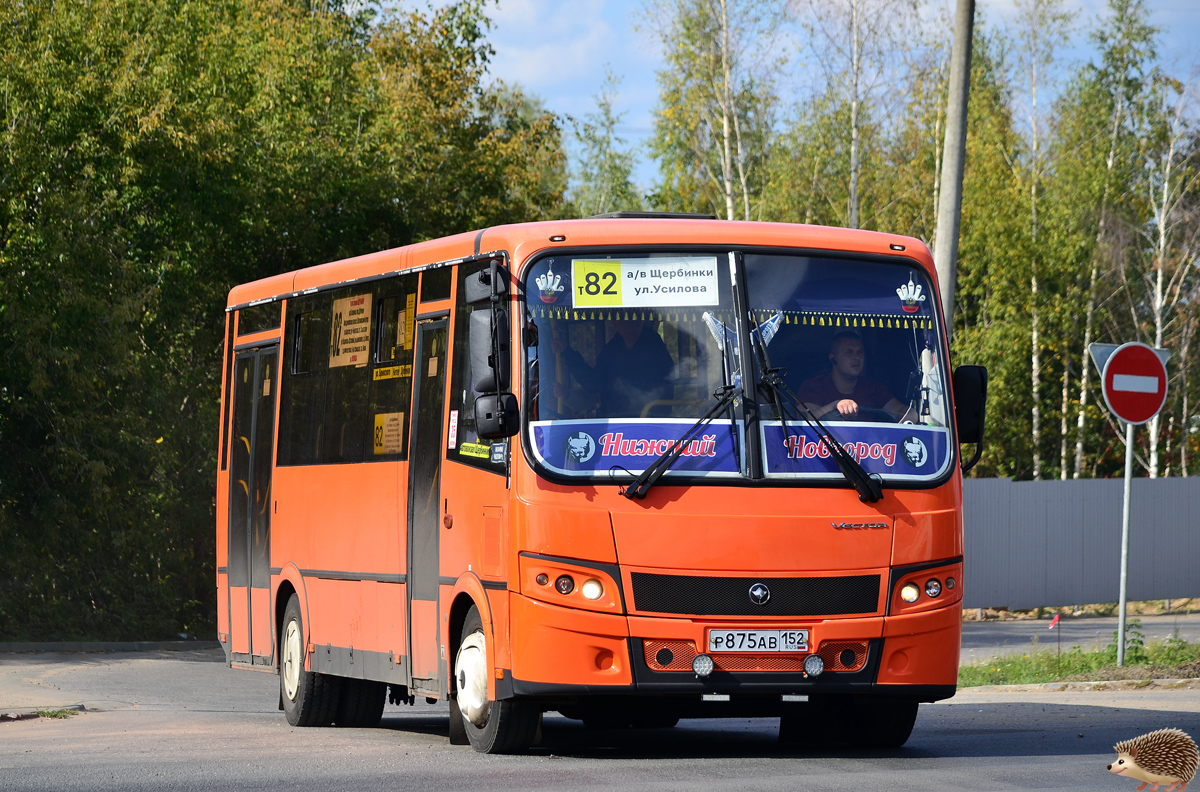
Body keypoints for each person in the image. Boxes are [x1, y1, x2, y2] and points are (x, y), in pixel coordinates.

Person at [552, 319, 674, 418]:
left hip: (652, 423)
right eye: (623, 319)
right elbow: (594, 383)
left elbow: (662, 390)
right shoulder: (611, 351)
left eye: (633, 318)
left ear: (642, 319)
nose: (629, 324)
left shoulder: (655, 349)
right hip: (614, 424)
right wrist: (567, 352)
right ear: (614, 322)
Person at [796, 330, 914, 421]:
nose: (856, 357)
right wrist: (836, 405)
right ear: (833, 358)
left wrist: (912, 415)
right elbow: (805, 418)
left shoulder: (873, 388)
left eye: (860, 352)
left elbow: (900, 411)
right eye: (849, 352)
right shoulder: (813, 386)